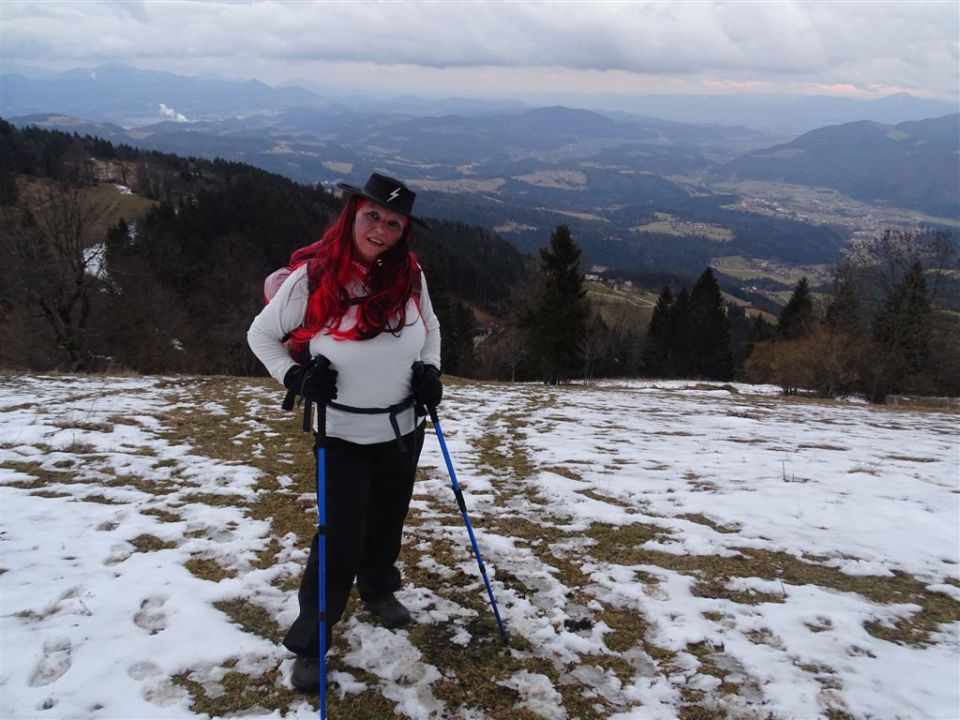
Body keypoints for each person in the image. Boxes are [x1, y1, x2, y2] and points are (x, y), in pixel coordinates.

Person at [247, 172, 443, 692]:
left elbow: (431, 328)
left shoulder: (410, 276)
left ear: (404, 231)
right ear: (353, 214)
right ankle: (312, 639)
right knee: (340, 534)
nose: (381, 228)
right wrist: (295, 376)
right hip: (343, 433)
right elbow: (262, 335)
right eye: (373, 216)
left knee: (387, 521)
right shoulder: (314, 277)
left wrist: (431, 369)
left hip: (403, 427)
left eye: (394, 222)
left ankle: (378, 589)